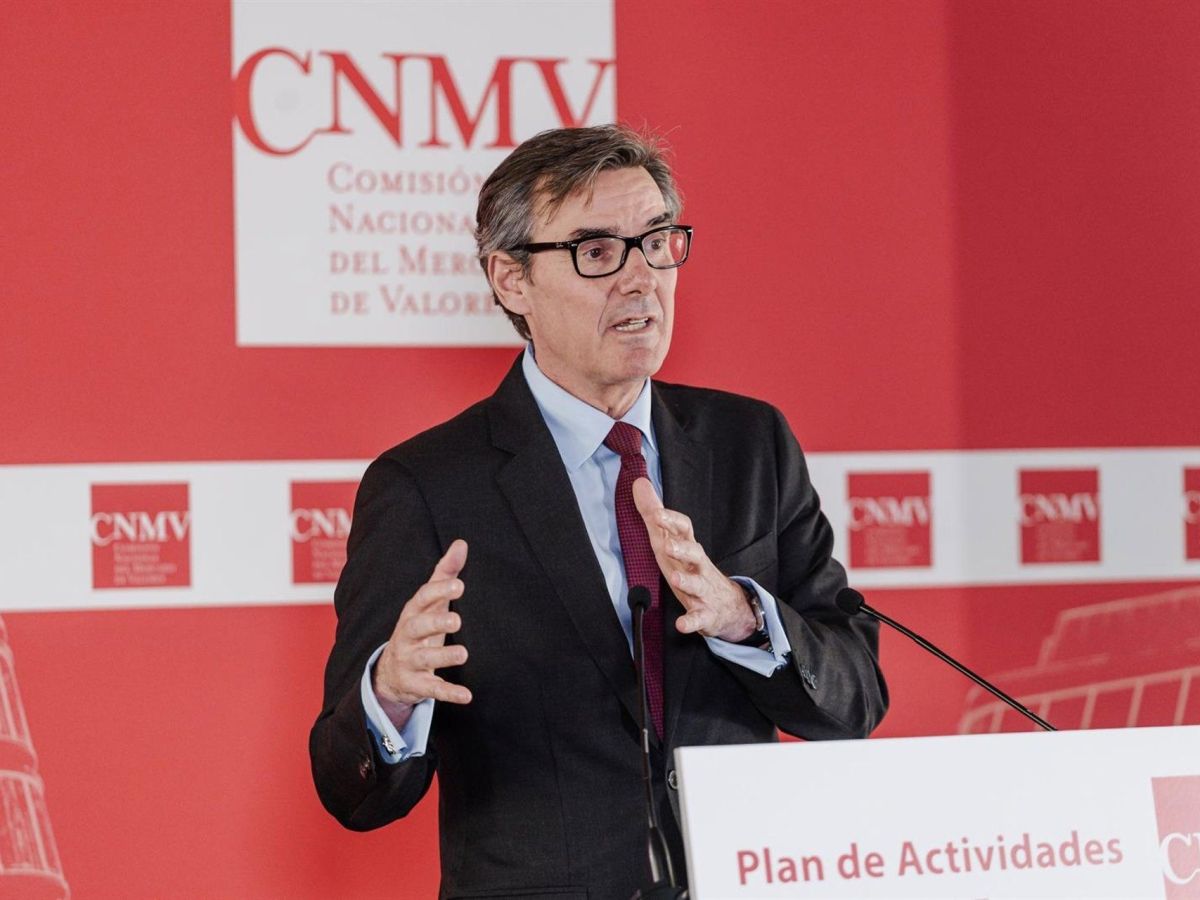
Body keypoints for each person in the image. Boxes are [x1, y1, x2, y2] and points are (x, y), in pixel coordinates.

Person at [310, 124, 888, 900]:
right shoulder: (425, 486)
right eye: (596, 251)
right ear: (512, 280)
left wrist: (745, 619)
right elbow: (350, 791)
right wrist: (391, 693)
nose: (641, 278)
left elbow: (855, 700)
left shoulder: (750, 443)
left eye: (656, 242)